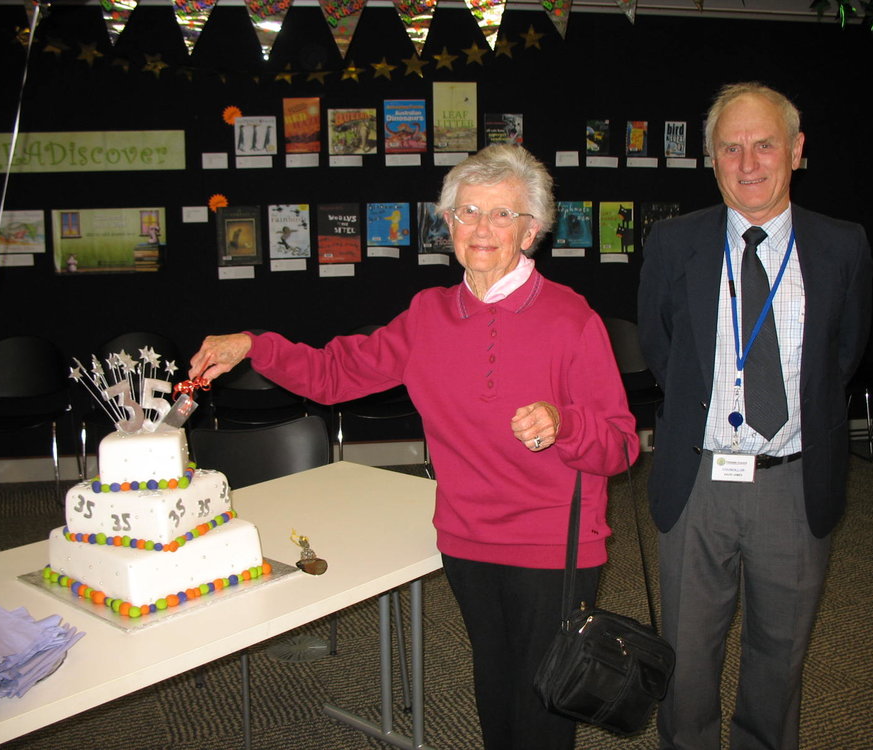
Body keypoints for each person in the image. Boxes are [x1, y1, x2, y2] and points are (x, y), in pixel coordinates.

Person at [190, 144, 639, 750]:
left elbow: (618, 445)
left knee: (542, 705)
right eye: (468, 212)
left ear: (531, 232)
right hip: (467, 538)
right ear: (447, 223)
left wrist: (565, 424)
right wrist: (256, 344)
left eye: (502, 215)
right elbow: (333, 373)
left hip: (551, 544)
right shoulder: (429, 315)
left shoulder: (570, 319)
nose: (482, 228)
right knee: (493, 682)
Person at [638, 82, 873, 750]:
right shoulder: (674, 243)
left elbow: (843, 354)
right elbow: (662, 348)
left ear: (797, 151)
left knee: (780, 656)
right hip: (700, 480)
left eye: (764, 144)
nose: (748, 162)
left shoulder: (842, 246)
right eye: (730, 147)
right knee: (684, 657)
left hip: (795, 485)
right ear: (711, 158)